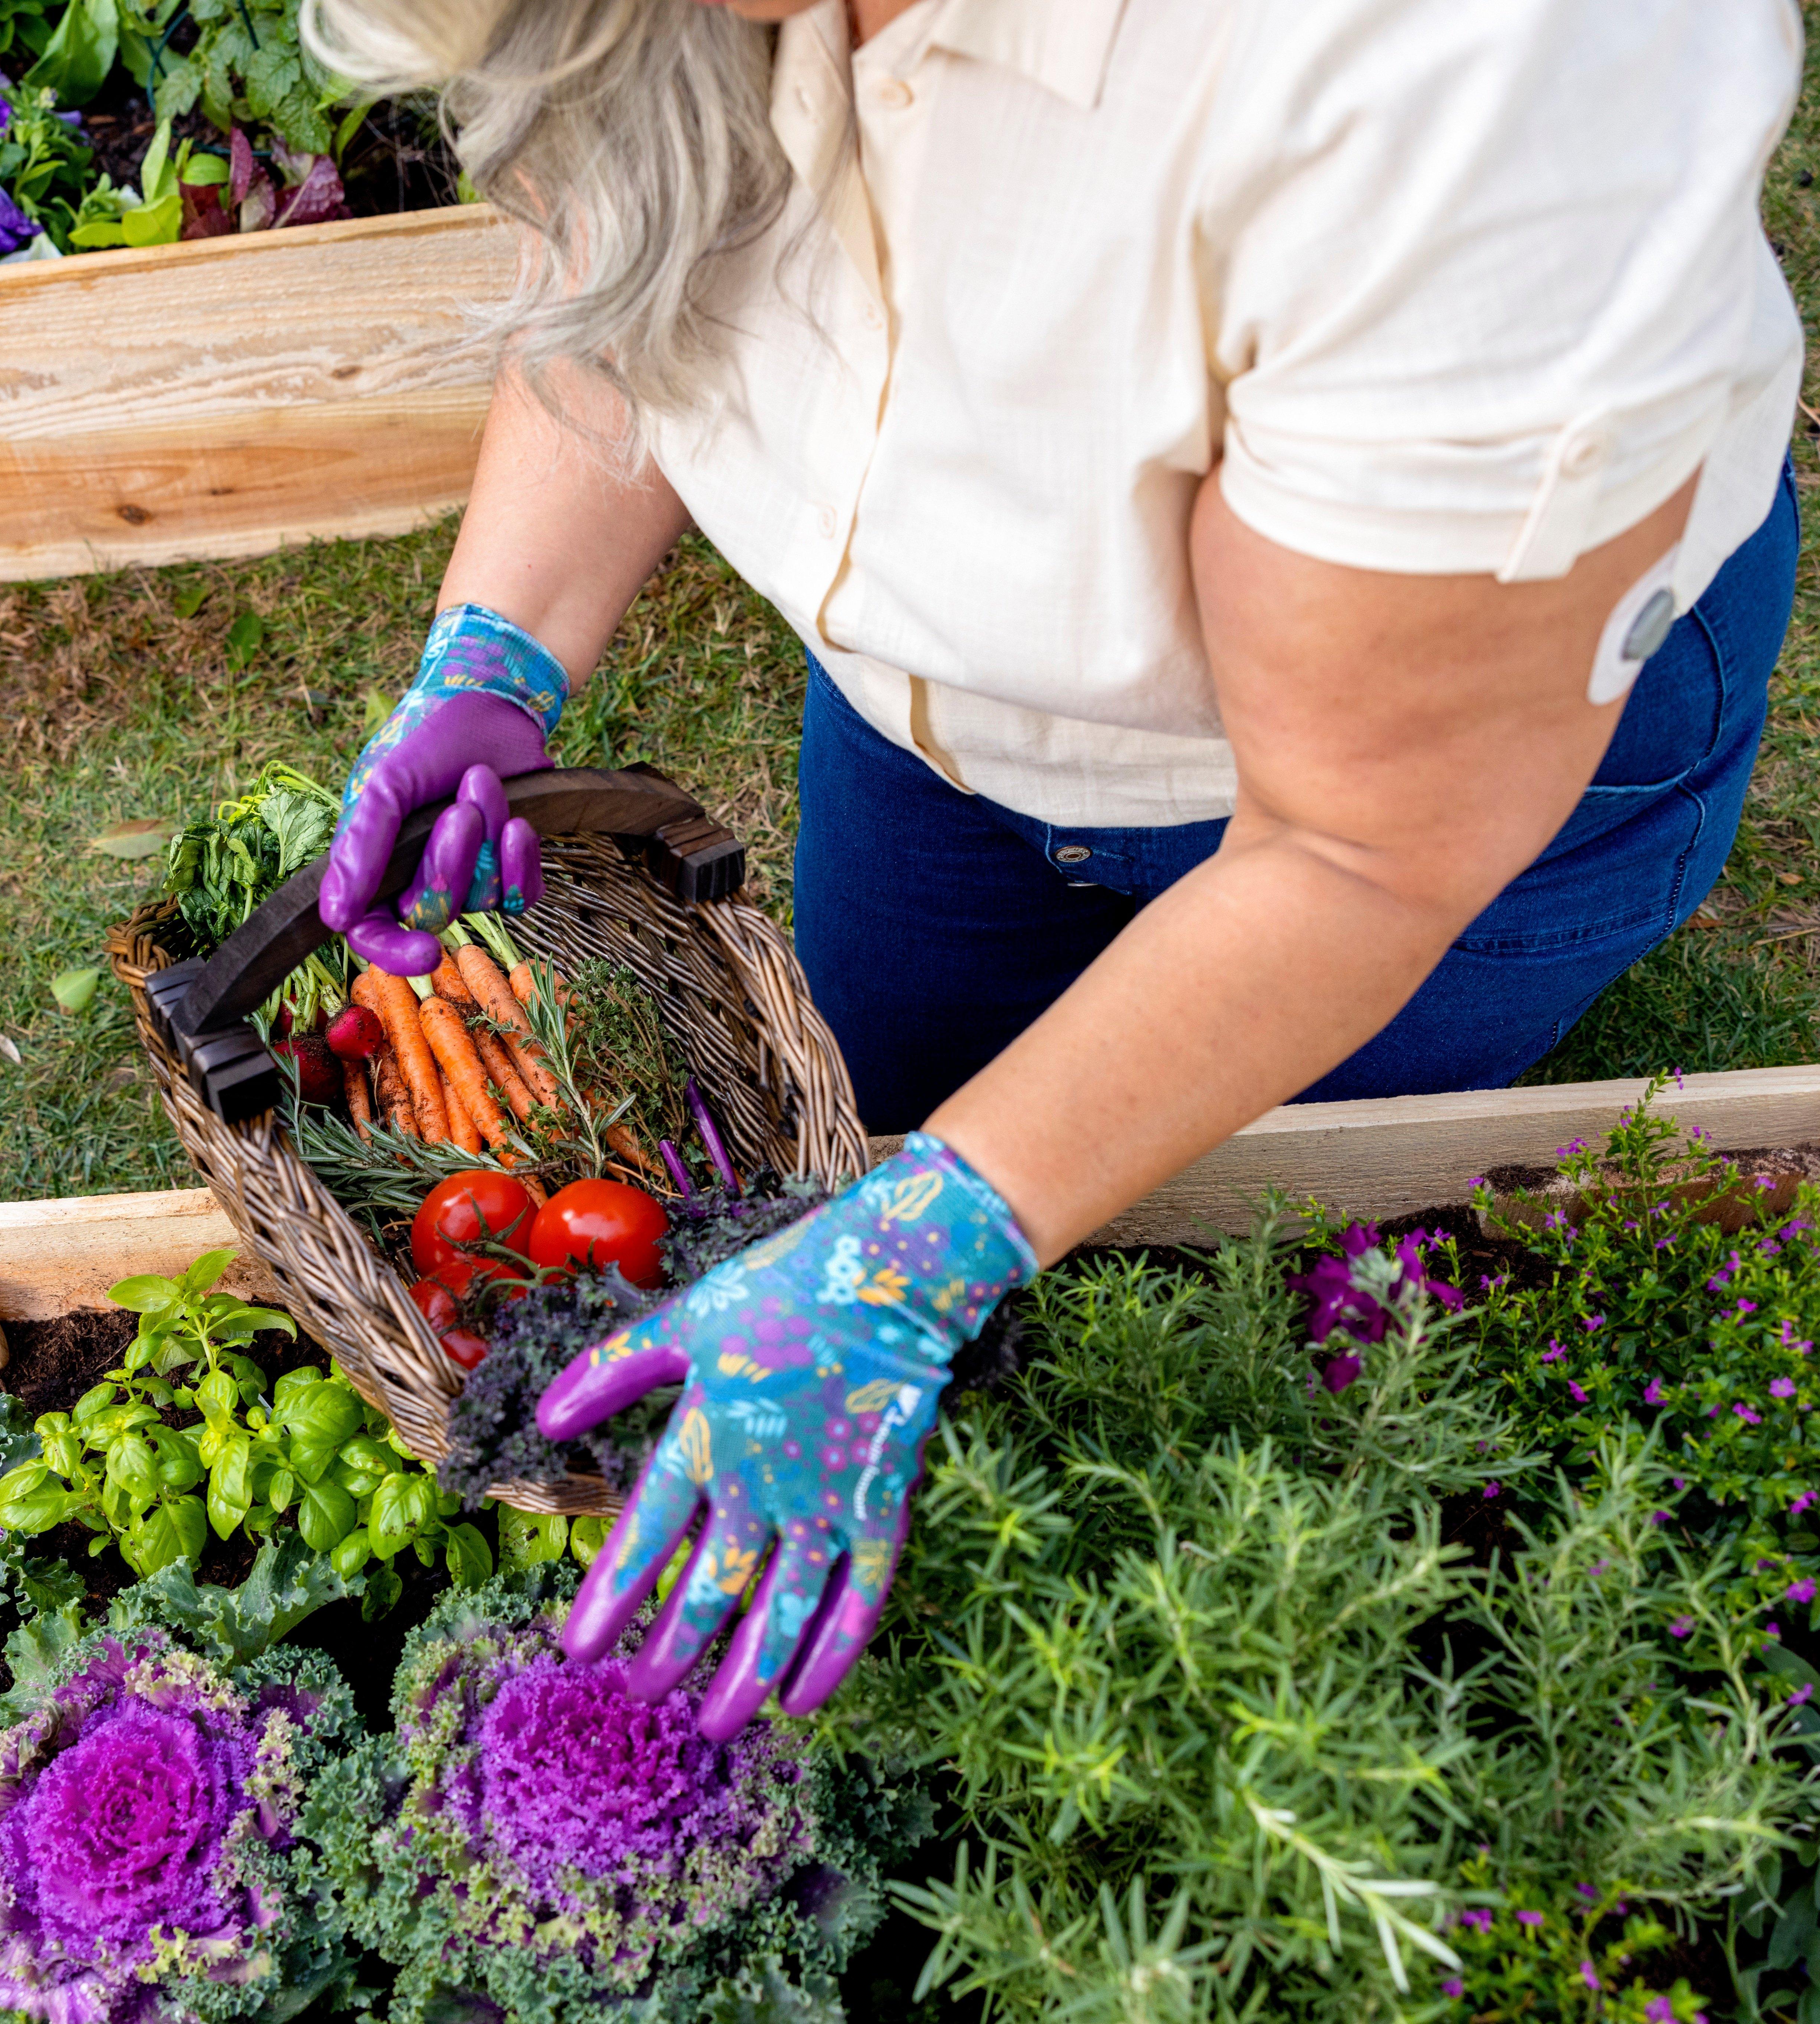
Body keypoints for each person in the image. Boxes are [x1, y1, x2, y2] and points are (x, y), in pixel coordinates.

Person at [307, 0, 1806, 1737]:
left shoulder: (1471, 69)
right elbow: (623, 223)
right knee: (901, 1103)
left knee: (1215, 1255)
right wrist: (497, 650)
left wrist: (928, 1241)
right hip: (948, 707)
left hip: (1430, 785)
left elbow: (1359, 846)